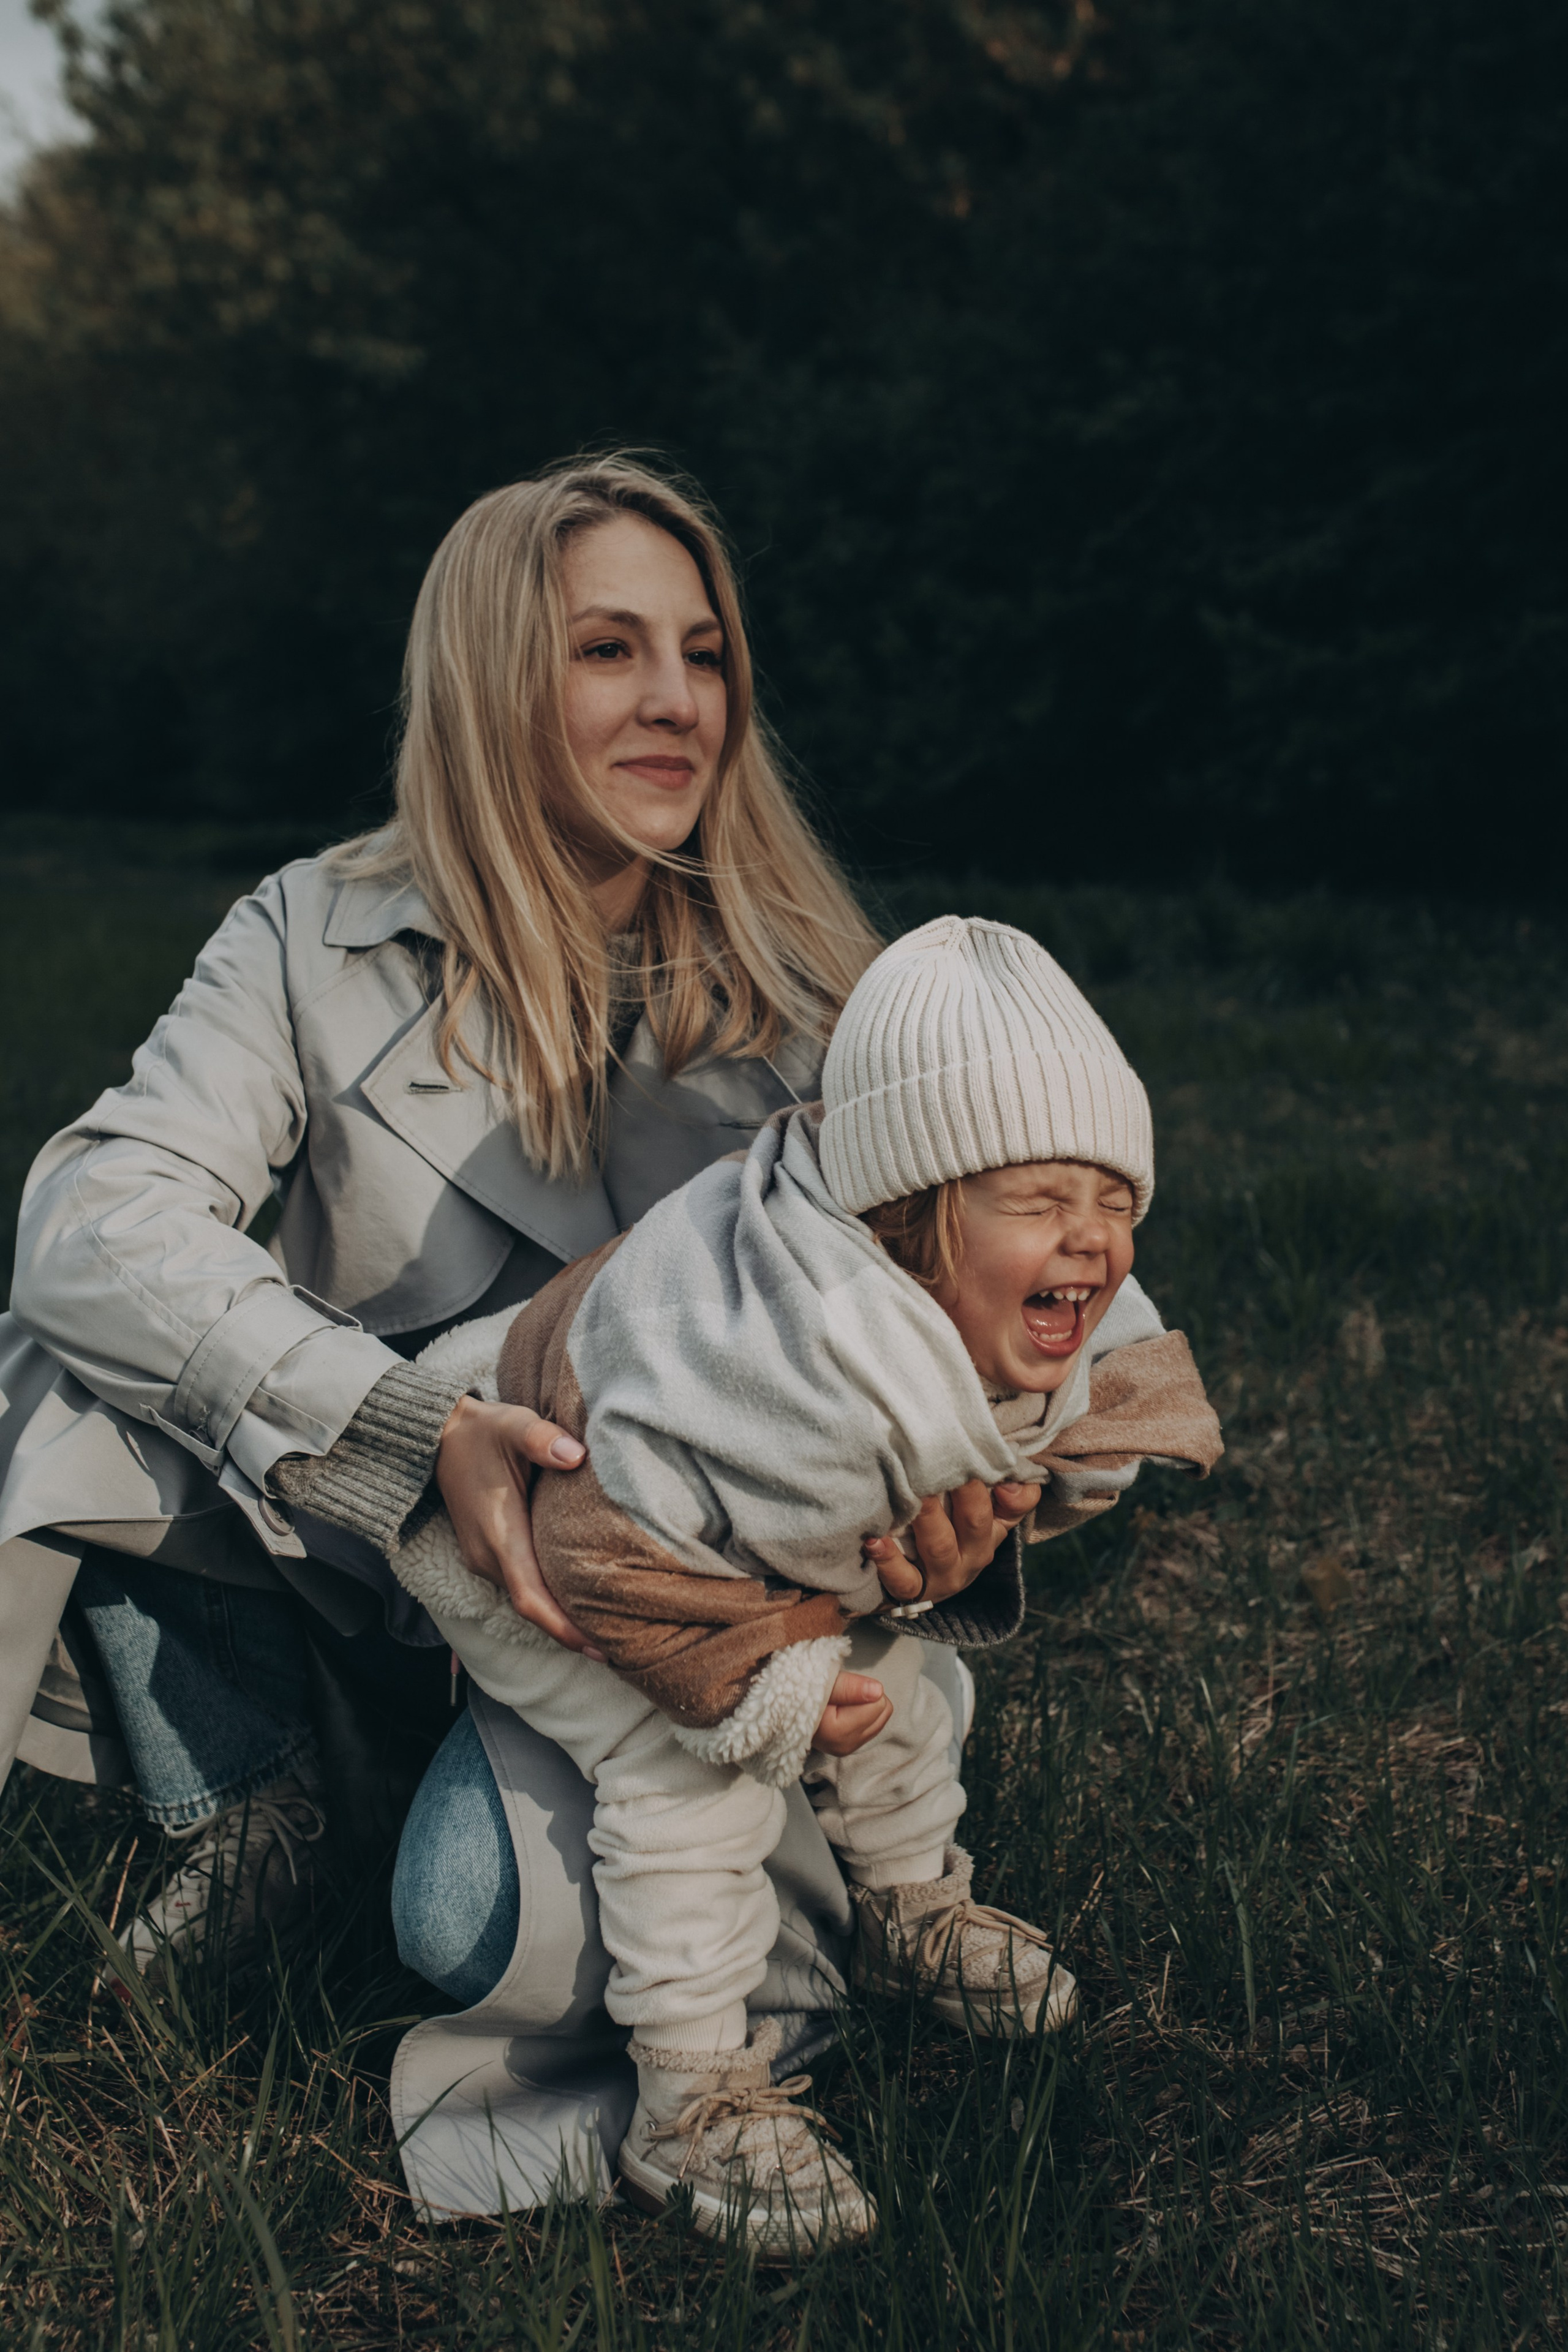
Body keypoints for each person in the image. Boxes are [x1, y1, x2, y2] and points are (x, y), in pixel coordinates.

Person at [0, 456, 1035, 2193]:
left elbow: (1048, 1311)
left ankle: (730, 1929)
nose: (675, 703)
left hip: (646, 1639)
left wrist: (974, 1519)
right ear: (492, 679)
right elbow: (92, 1217)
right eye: (609, 650)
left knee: (475, 1927)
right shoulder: (309, 931)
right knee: (69, 1343)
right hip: (375, 1571)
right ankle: (253, 1808)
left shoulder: (823, 990)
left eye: (704, 655)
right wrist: (403, 1439)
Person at [388, 917, 1223, 2252]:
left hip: (727, 1532)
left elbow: (1088, 1404)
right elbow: (604, 1553)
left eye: (1115, 1199)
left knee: (893, 1664)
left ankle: (905, 1896)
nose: (1091, 1240)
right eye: (1038, 1202)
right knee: (687, 1781)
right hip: (539, 1535)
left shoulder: (1018, 1277)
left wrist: (1045, 1481)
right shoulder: (744, 1362)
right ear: (909, 1214)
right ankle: (689, 2094)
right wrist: (765, 1687)